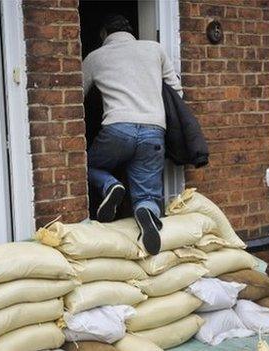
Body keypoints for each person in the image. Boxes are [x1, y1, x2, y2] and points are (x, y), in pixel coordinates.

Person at [82, 14, 183, 255]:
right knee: (148, 192)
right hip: (154, 131)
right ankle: (146, 211)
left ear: (104, 34)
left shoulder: (95, 57)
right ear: (130, 31)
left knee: (85, 166)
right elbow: (176, 91)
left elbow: (76, 99)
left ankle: (110, 186)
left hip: (117, 128)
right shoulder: (154, 49)